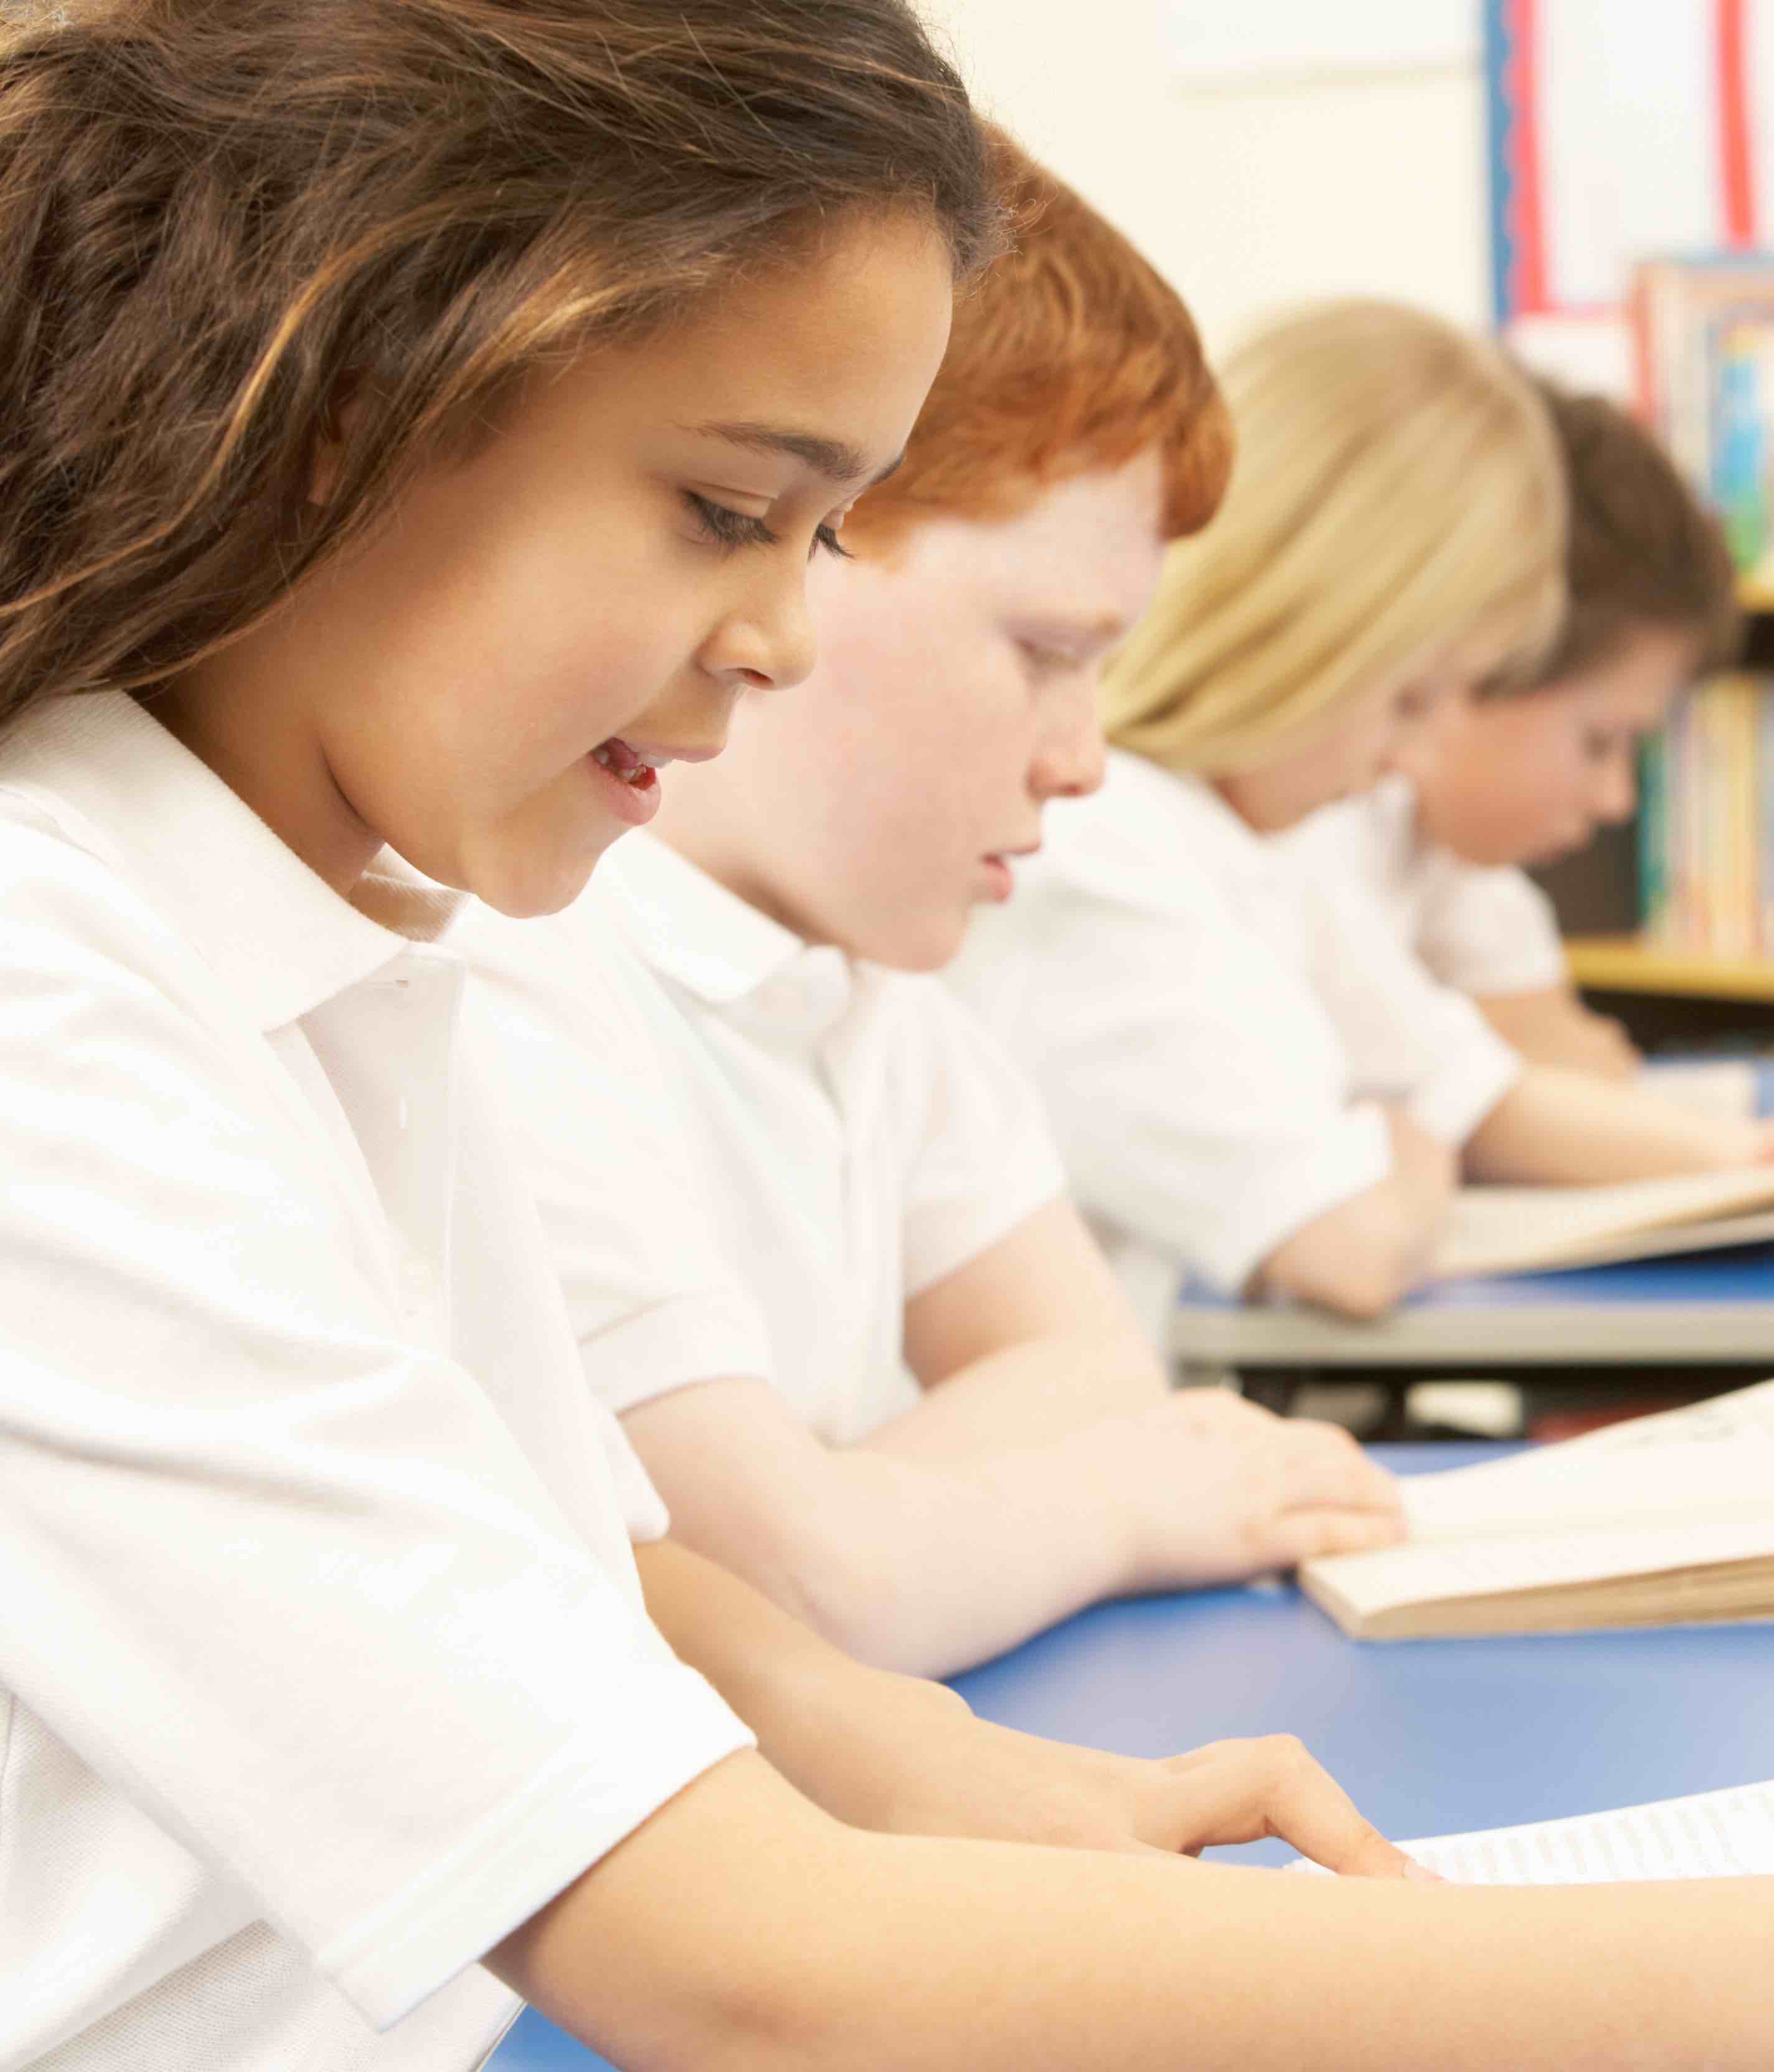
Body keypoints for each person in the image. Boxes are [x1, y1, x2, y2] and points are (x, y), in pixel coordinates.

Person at [0, 6, 1774, 2066]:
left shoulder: (337, 931)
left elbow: (570, 1557)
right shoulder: (56, 992)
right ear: (334, 395)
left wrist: (896, 1750)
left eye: (819, 540)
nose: (781, 642)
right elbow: (752, 1978)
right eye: (729, 508)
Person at [457, 133, 1404, 1681]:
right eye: (1042, 651)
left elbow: (1092, 1373)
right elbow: (802, 1601)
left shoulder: (873, 988)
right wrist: (1107, 1509)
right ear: (804, 538)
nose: (1088, 756)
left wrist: (873, 1518)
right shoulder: (518, 971)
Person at [955, 302, 1774, 1333]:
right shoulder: (1107, 849)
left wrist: (1394, 1133)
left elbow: (1448, 1083)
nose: (1411, 758)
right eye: (1411, 699)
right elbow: (1351, 1240)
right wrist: (1399, 1143)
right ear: (1322, 631)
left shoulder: (1242, 845)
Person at [1292, 375, 1741, 1081]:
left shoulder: (1438, 840)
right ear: (1489, 649)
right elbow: (1476, 1101)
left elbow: (1574, 1060)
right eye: (1599, 742)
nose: (1615, 800)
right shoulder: (1310, 820)